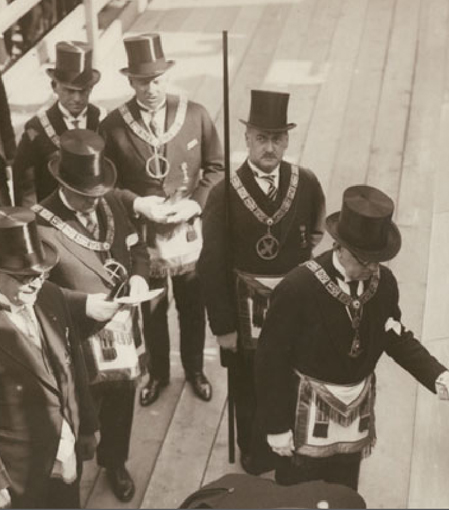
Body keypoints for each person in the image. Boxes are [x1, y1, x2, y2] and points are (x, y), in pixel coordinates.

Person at [255, 185, 449, 490]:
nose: (371, 268)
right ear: (339, 246)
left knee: (344, 492)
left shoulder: (384, 283)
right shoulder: (297, 287)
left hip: (355, 415)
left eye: (376, 260)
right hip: (304, 414)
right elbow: (269, 359)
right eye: (363, 260)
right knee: (298, 496)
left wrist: (439, 377)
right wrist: (275, 427)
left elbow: (395, 337)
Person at [198, 89, 326, 474]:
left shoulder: (305, 182)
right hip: (242, 311)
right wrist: (223, 327)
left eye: (277, 139)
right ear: (247, 139)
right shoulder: (223, 194)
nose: (269, 148)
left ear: (287, 140)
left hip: (291, 305)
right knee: (247, 382)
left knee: (289, 374)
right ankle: (254, 451)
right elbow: (211, 264)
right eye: (261, 138)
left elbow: (315, 236)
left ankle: (286, 443)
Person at [99, 33, 225, 406]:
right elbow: (105, 185)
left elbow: (217, 169)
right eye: (142, 81)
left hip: (189, 233)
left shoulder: (196, 114)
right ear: (130, 81)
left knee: (192, 304)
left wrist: (196, 204)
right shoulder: (113, 126)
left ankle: (194, 369)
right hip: (143, 239)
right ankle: (157, 374)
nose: (150, 88)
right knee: (151, 309)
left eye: (156, 80)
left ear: (166, 77)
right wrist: (138, 205)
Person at [34, 129, 151, 502]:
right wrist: (83, 304)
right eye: (85, 196)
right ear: (64, 184)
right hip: (77, 343)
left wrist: (137, 276)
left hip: (122, 332)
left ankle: (115, 462)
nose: (93, 203)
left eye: (98, 194)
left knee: (121, 401)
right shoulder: (40, 226)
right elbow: (35, 294)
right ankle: (76, 479)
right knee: (81, 419)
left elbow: (138, 248)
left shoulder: (109, 202)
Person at [0, 206, 120, 508]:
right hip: (19, 474)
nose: (35, 284)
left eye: (40, 274)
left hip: (67, 452)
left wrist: (89, 425)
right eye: (23, 277)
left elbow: (74, 365)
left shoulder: (50, 296)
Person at [12, 41, 105, 207]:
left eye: (83, 90)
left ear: (91, 88)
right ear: (54, 86)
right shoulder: (36, 130)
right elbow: (26, 189)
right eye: (69, 90)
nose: (77, 98)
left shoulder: (101, 120)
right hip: (54, 218)